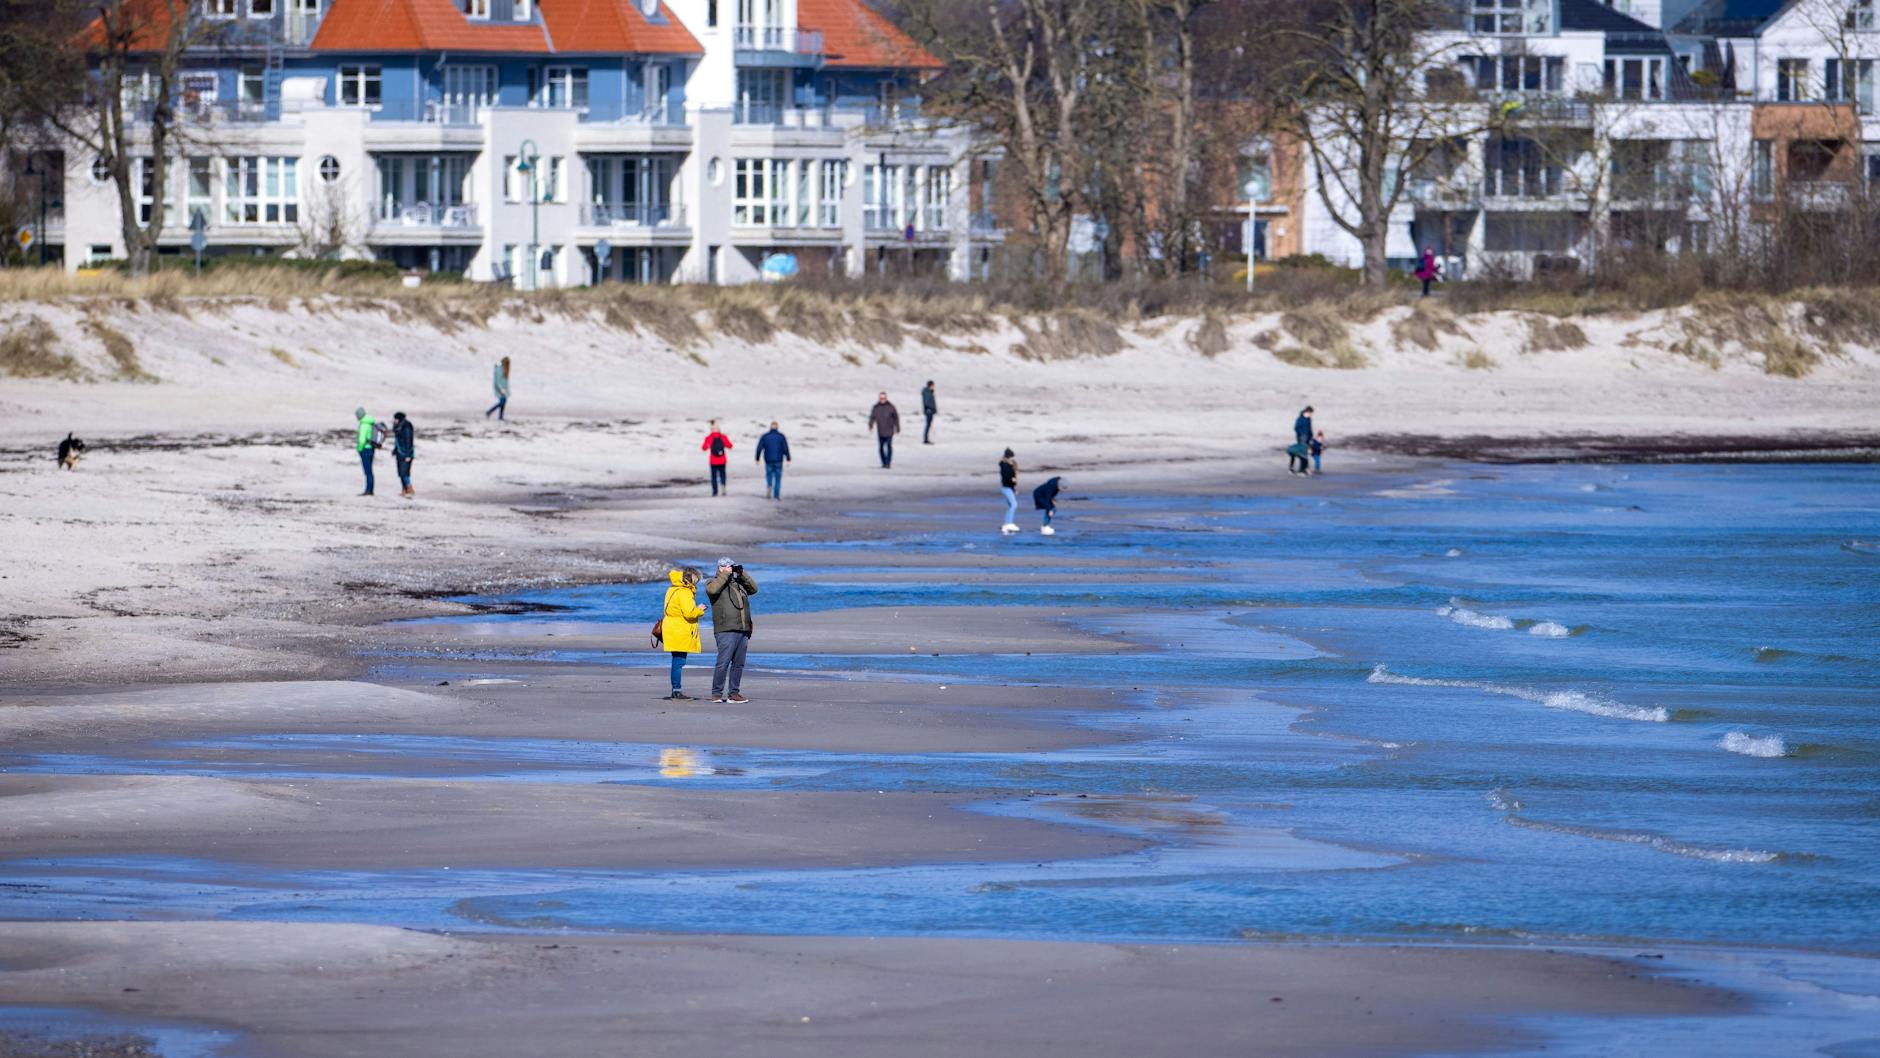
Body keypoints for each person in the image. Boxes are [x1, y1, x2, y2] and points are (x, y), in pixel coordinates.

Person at [706, 558, 758, 703]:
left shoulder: (738, 584)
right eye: (728, 567)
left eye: (732, 567)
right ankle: (716, 693)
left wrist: (743, 574)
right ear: (721, 568)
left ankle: (734, 693)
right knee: (723, 662)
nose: (731, 569)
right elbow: (712, 590)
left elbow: (754, 589)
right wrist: (724, 575)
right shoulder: (712, 582)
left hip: (742, 628)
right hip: (725, 629)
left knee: (738, 663)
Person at [660, 568, 704, 701]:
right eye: (697, 581)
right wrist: (700, 610)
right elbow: (689, 613)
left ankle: (675, 690)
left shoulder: (672, 589)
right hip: (680, 629)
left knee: (677, 660)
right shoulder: (684, 592)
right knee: (679, 661)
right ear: (692, 579)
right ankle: (676, 691)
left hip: (671, 627)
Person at [755, 421, 790, 500]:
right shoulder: (781, 436)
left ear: (770, 427)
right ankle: (776, 495)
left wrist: (757, 458)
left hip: (768, 459)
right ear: (777, 427)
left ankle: (769, 485)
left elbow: (759, 448)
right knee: (778, 478)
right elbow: (785, 448)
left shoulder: (765, 436)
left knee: (769, 475)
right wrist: (788, 458)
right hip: (778, 459)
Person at [701, 420, 733, 496]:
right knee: (722, 475)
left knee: (714, 477)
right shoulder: (723, 437)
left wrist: (708, 445)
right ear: (719, 429)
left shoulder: (708, 438)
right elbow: (730, 446)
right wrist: (725, 444)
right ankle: (723, 486)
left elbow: (703, 448)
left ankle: (715, 491)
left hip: (713, 461)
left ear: (711, 429)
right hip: (722, 460)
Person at [868, 392, 900, 468]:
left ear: (886, 398)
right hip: (881, 431)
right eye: (881, 398)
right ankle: (884, 462)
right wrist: (871, 425)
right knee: (881, 448)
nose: (882, 400)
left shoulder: (891, 407)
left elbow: (896, 417)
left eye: (884, 398)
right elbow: (872, 417)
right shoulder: (876, 407)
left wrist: (897, 427)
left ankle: (888, 463)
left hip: (889, 430)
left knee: (889, 446)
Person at [353, 406, 379, 496]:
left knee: (367, 471)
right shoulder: (370, 423)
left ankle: (368, 490)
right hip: (371, 448)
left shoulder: (364, 424)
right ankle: (370, 489)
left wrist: (359, 449)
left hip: (365, 449)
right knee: (370, 471)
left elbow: (362, 440)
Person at [391, 411, 416, 498]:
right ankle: (404, 489)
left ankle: (409, 488)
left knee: (404, 472)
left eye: (395, 419)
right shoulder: (398, 427)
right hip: (399, 452)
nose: (394, 421)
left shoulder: (406, 427)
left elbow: (409, 441)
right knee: (400, 472)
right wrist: (395, 450)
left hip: (406, 453)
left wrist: (408, 455)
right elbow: (397, 440)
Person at [999, 448, 1020, 534]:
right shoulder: (1005, 465)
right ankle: (1009, 523)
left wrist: (1014, 489)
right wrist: (1012, 480)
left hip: (1009, 488)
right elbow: (1007, 478)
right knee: (1014, 505)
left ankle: (1006, 524)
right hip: (1006, 488)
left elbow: (1012, 479)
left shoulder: (1009, 466)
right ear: (1007, 457)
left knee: (1010, 505)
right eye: (1011, 457)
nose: (1012, 459)